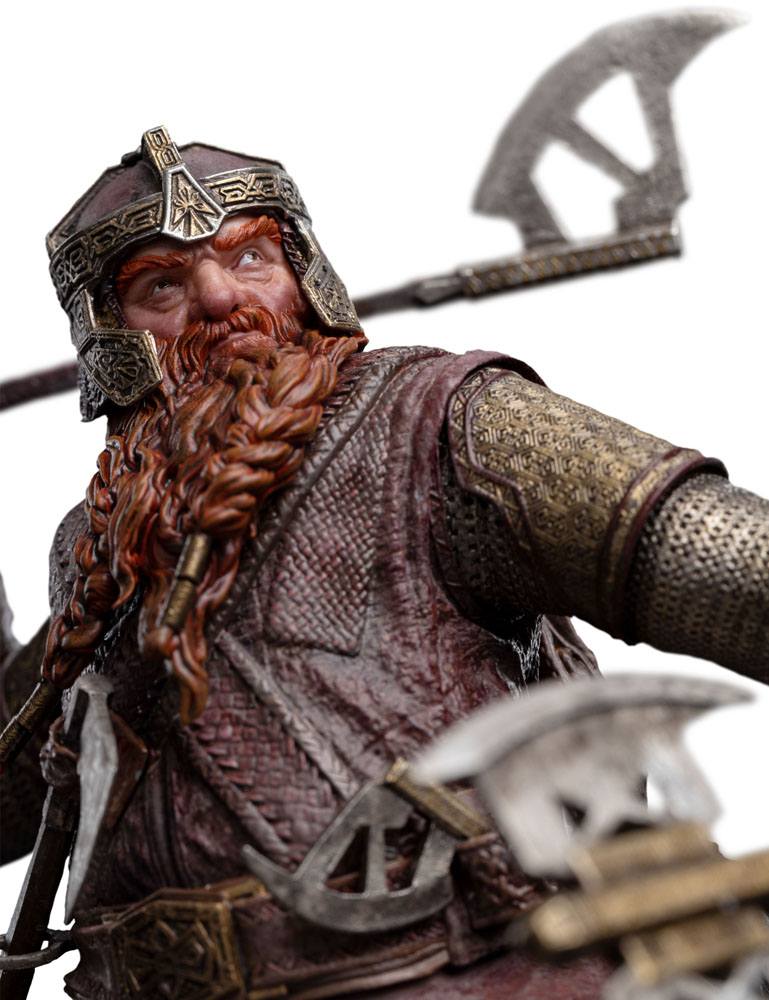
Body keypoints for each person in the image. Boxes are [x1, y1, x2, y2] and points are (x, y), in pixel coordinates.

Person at [1, 128, 767, 1000]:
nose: (218, 298)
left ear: (305, 276)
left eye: (250, 257)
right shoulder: (97, 545)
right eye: (161, 285)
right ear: (109, 338)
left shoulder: (442, 421)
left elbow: (733, 566)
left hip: (477, 974)